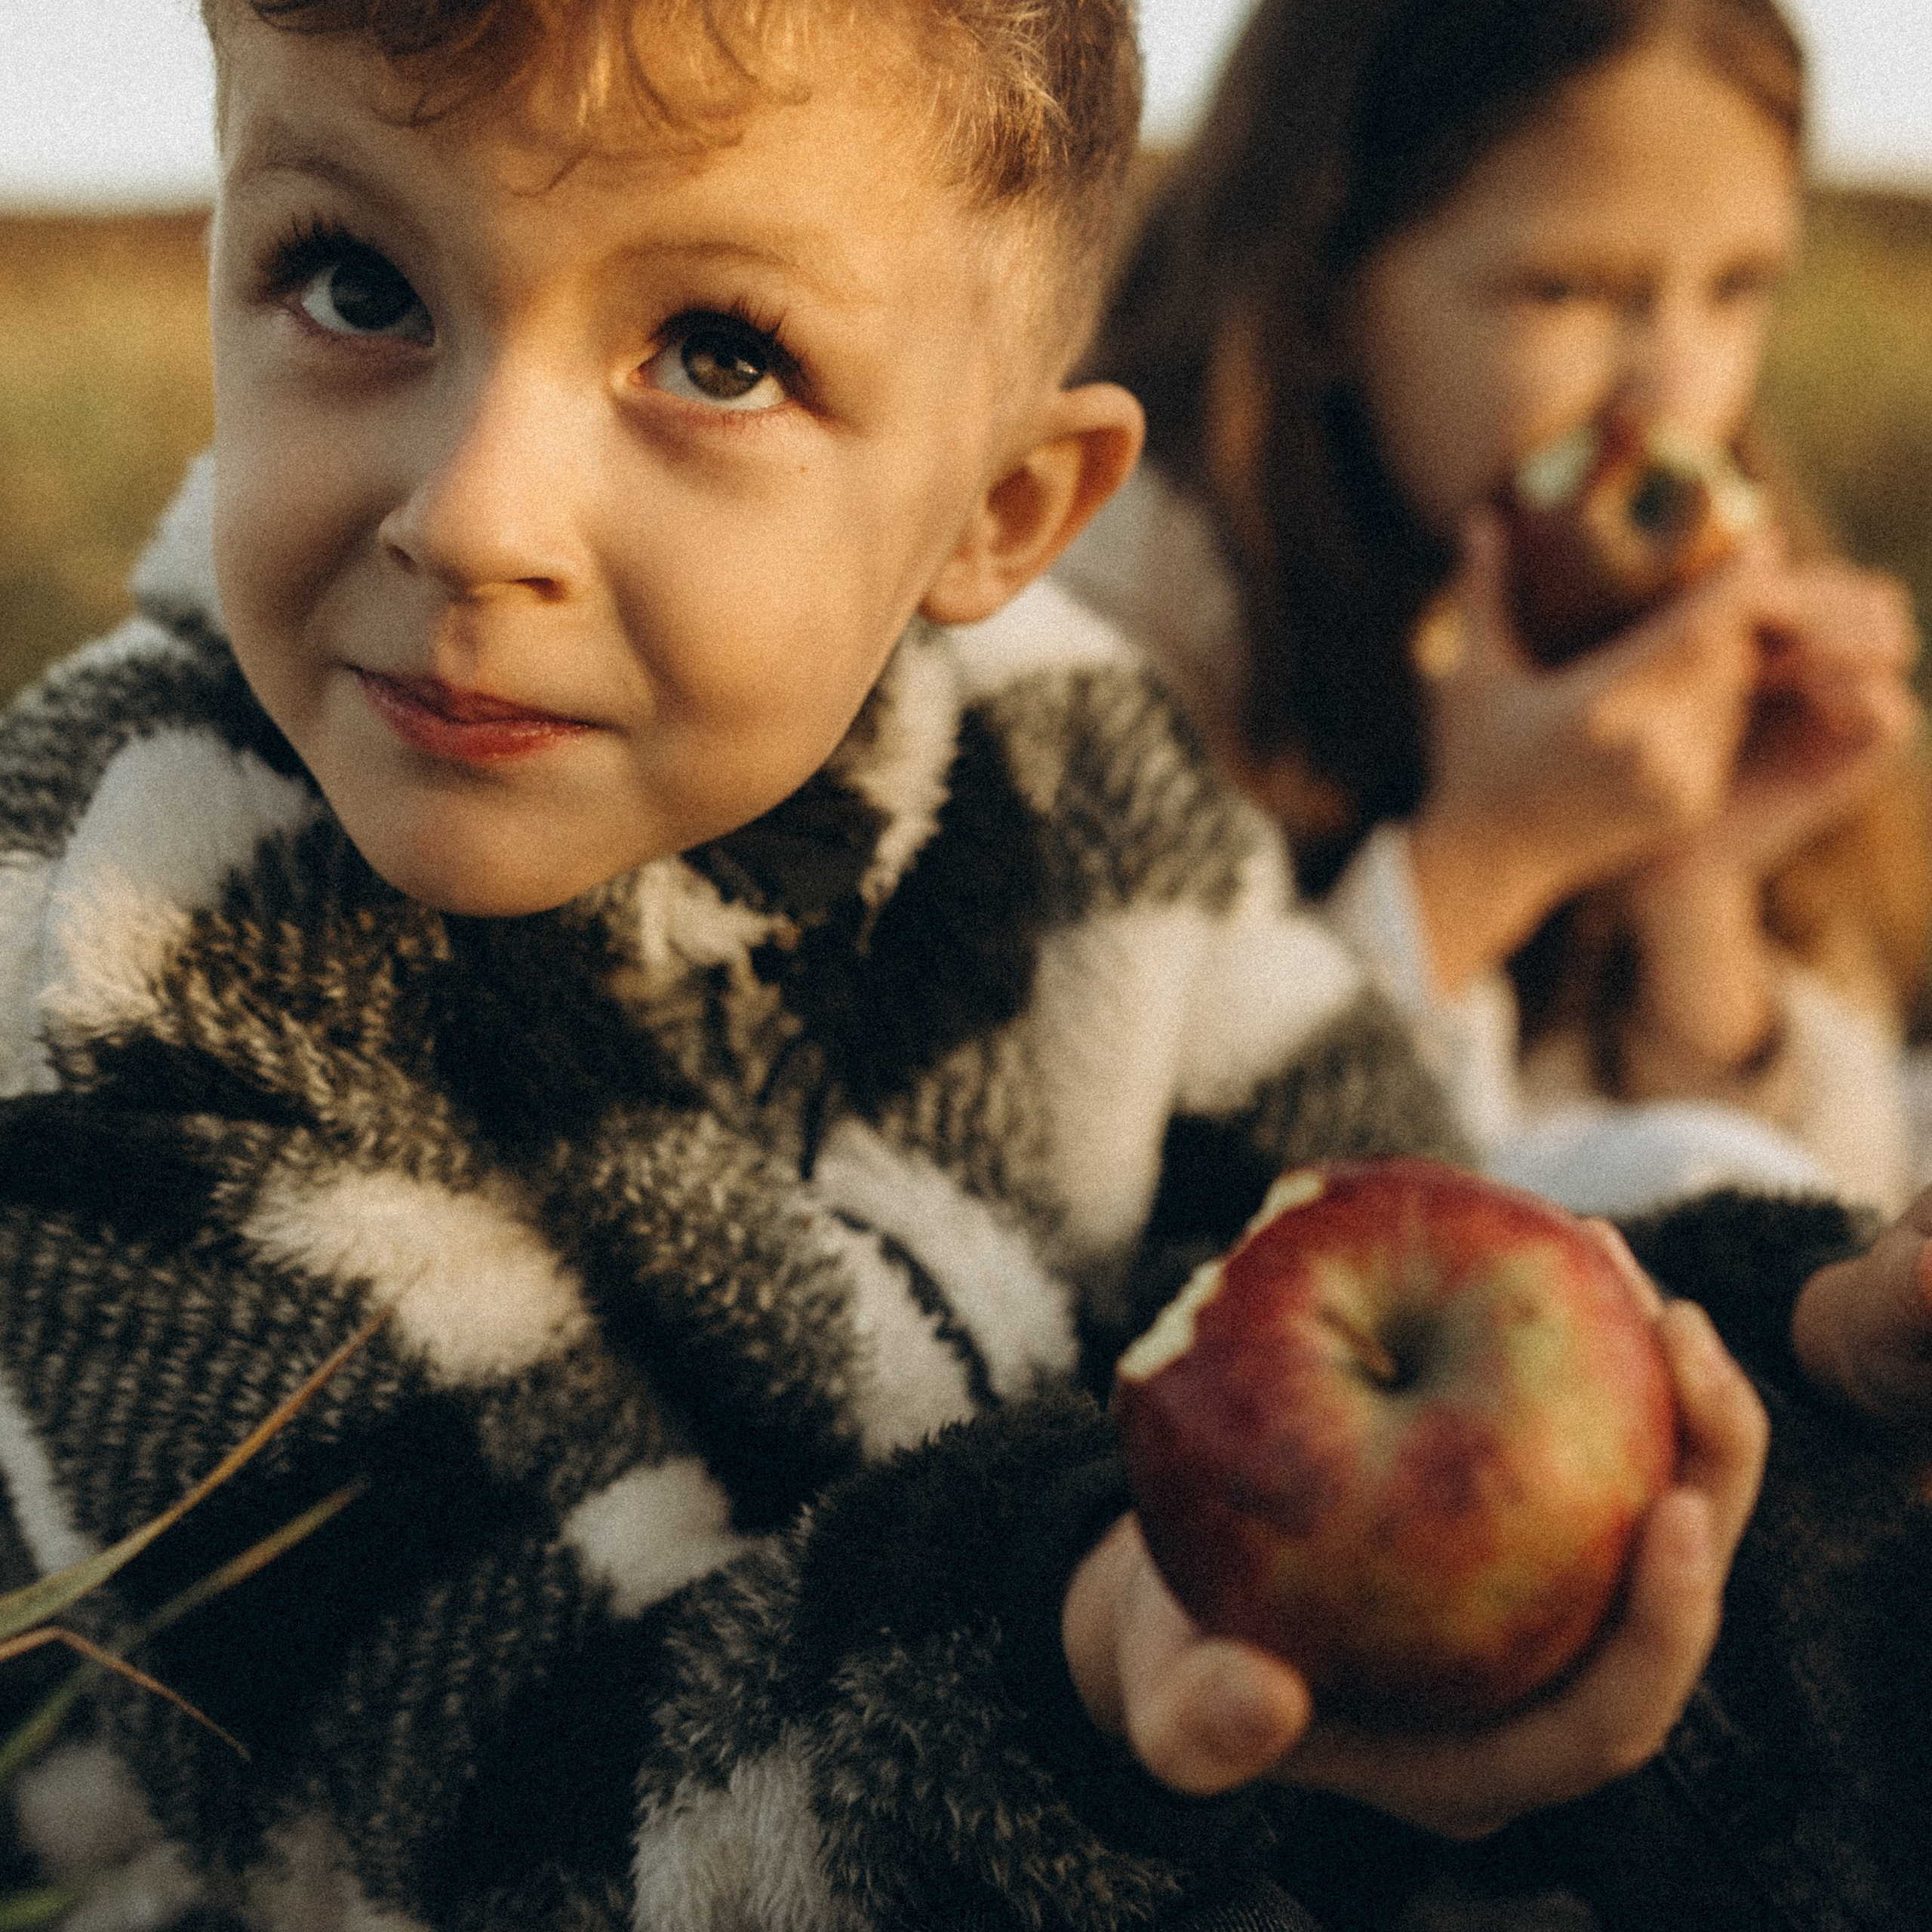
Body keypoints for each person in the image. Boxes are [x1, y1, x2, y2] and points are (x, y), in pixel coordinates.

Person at [0, 3, 1923, 1930]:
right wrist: (1077, 1652)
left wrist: (1772, 1338)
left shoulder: (1065, 749)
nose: (474, 514)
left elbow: (1378, 1244)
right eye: (355, 283)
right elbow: (490, 1814)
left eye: (716, 353)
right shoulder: (136, 916)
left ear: (1003, 512)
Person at [1066, 0, 1930, 1220]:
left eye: (1737, 289)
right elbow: (1124, 1205)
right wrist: (1488, 862)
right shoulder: (1109, 626)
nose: (1678, 389)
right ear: (1321, 297)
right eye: (1568, 290)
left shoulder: (1698, 628)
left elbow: (1825, 1251)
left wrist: (1693, 886)